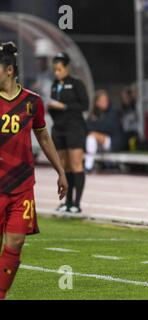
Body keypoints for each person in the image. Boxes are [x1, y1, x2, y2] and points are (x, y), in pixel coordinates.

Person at [0, 42, 67, 299]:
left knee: (16, 241)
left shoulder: (32, 102)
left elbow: (44, 138)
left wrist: (60, 171)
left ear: (9, 70)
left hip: (22, 186)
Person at [48, 52, 89, 213]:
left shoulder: (76, 84)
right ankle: (67, 201)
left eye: (59, 69)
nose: (57, 73)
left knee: (76, 164)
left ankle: (76, 204)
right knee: (63, 166)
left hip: (74, 128)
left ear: (66, 68)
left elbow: (84, 105)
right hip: (59, 129)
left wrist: (63, 106)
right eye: (55, 70)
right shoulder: (54, 85)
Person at [85, 90, 124, 172]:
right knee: (91, 137)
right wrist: (96, 127)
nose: (104, 102)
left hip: (113, 142)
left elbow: (106, 127)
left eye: (106, 100)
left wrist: (95, 126)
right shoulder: (94, 113)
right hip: (99, 143)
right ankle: (88, 166)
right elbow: (87, 127)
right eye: (102, 101)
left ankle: (88, 166)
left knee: (93, 135)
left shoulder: (113, 111)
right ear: (96, 103)